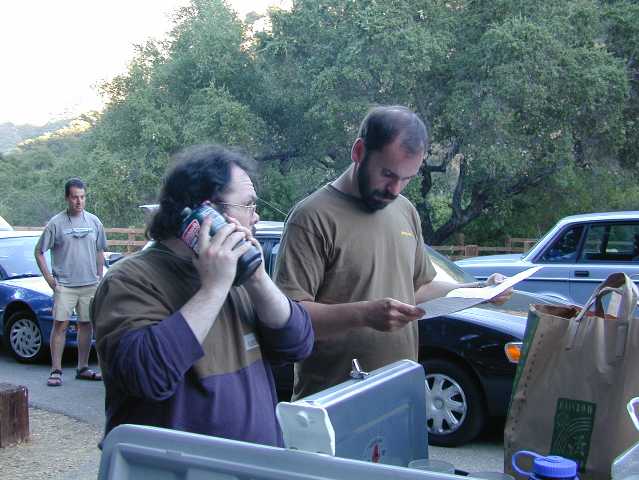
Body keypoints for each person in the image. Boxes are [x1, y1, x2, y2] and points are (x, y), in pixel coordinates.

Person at [274, 105, 508, 399]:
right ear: (359, 151)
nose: (395, 189)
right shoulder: (311, 217)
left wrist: (479, 291)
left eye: (407, 179)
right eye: (387, 174)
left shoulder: (405, 210)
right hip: (333, 400)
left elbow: (419, 288)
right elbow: (289, 320)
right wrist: (364, 314)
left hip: (399, 392)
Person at [91, 145, 314, 446]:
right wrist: (213, 289)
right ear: (207, 213)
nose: (256, 217)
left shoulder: (239, 276)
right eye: (248, 205)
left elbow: (298, 344)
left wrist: (258, 278)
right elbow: (148, 376)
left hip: (251, 464)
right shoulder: (129, 280)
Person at [35, 177, 107, 387]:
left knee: (86, 324)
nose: (79, 201)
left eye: (82, 197)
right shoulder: (56, 223)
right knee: (60, 325)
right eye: (75, 197)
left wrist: (99, 276)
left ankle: (82, 368)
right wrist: (50, 280)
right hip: (65, 285)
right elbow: (39, 251)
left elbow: (100, 250)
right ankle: (56, 370)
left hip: (89, 284)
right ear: (67, 198)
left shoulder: (94, 222)